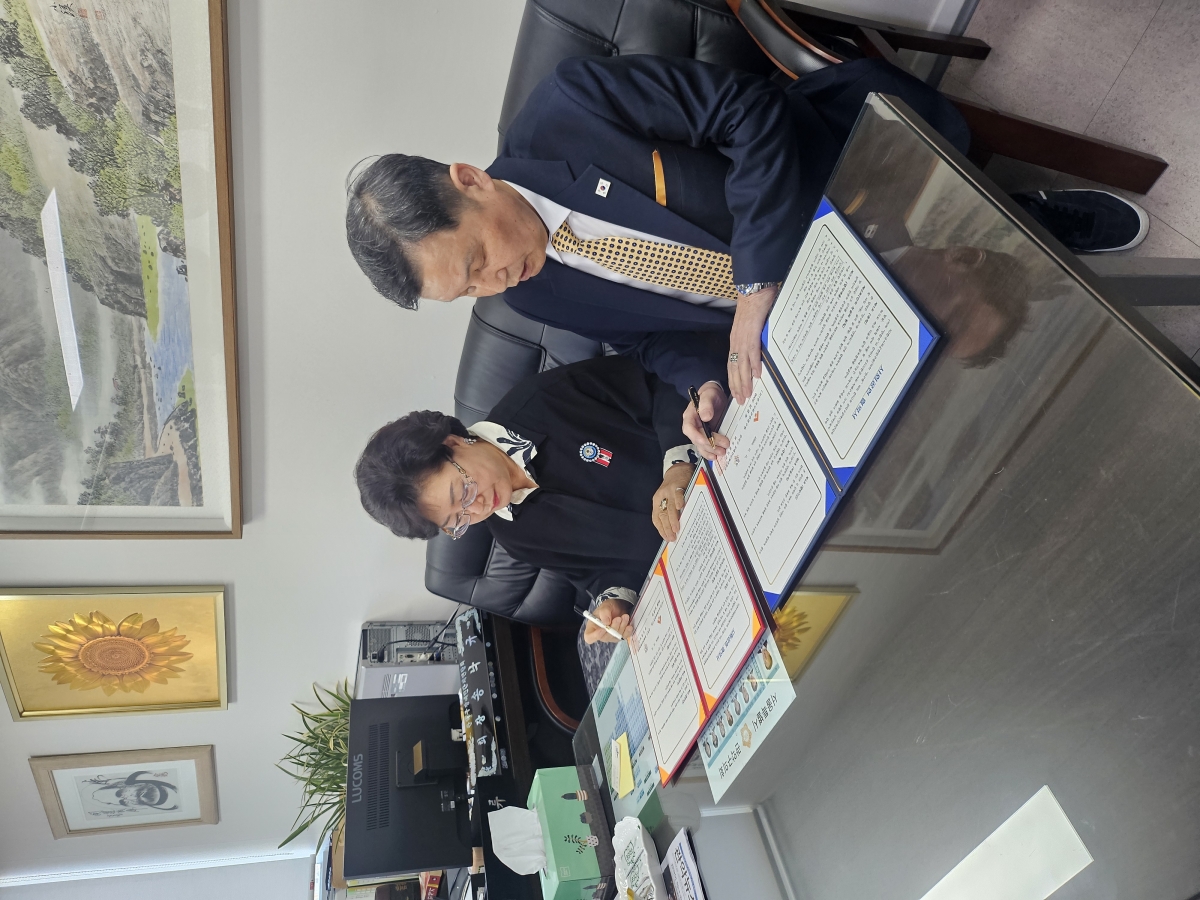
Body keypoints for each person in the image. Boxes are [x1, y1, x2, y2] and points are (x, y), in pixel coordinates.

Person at [346, 55, 1147, 455]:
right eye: (469, 292)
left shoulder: (573, 107)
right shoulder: (530, 294)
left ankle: (1020, 217)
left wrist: (759, 281)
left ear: (471, 181)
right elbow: (645, 336)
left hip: (829, 181)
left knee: (967, 322)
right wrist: (698, 381)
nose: (494, 282)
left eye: (477, 260)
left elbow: (749, 111)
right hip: (791, 318)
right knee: (906, 411)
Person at [354, 355, 717, 643]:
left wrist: (677, 466)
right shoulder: (512, 534)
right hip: (700, 565)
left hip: (720, 475)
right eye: (458, 520)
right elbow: (595, 570)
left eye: (462, 491)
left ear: (453, 443)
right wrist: (614, 602)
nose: (478, 507)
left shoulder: (545, 399)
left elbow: (660, 381)